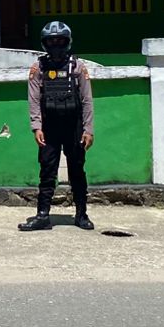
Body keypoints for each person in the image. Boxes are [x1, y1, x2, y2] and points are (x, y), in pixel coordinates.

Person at [20, 21, 95, 232]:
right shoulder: (38, 67)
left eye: (60, 41)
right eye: (51, 41)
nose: (56, 45)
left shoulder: (77, 67)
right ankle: (43, 215)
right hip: (49, 127)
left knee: (77, 171)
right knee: (47, 171)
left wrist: (88, 129)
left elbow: (87, 99)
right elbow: (34, 99)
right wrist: (36, 127)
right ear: (44, 43)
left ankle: (81, 214)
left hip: (74, 127)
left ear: (67, 42)